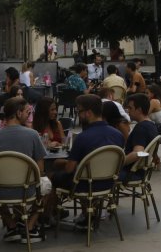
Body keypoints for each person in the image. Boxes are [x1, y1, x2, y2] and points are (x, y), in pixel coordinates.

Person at [45, 95, 125, 228]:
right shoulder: (118, 135)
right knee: (83, 174)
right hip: (109, 183)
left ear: (88, 113)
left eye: (79, 111)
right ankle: (88, 215)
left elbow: (70, 169)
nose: (78, 114)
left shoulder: (83, 138)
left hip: (84, 185)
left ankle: (48, 216)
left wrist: (60, 163)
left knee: (51, 176)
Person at [0, 97, 47, 244]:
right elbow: (40, 170)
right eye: (27, 112)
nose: (29, 116)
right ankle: (30, 227)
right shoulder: (32, 135)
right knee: (47, 183)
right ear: (18, 113)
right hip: (27, 191)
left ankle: (12, 225)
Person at [122, 94, 161, 178]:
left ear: (139, 110)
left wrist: (119, 163)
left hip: (131, 172)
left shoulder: (141, 128)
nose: (128, 111)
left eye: (130, 108)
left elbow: (138, 153)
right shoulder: (152, 124)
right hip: (142, 170)